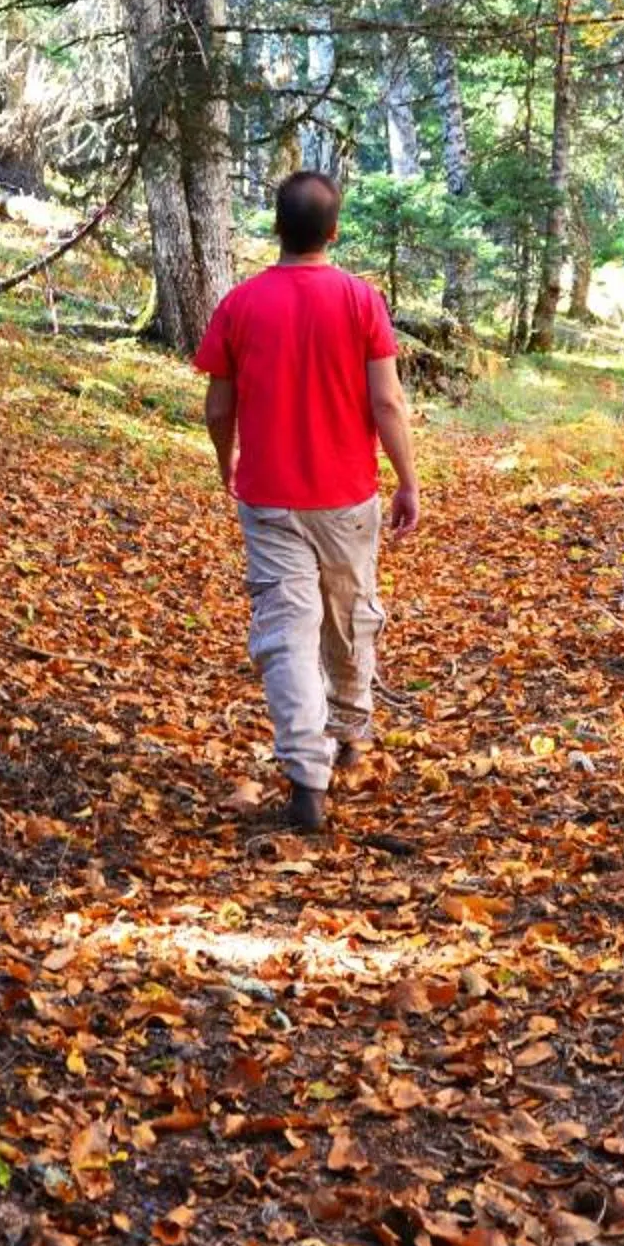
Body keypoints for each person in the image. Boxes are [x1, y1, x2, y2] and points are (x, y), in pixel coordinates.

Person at [196, 172, 422, 831]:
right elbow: (386, 401)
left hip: (268, 497)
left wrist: (225, 459)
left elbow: (217, 404)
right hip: (347, 496)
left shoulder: (240, 304)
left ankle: (306, 781)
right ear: (333, 231)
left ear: (276, 228)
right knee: (351, 616)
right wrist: (407, 478)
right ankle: (349, 735)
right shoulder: (360, 300)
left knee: (286, 631)